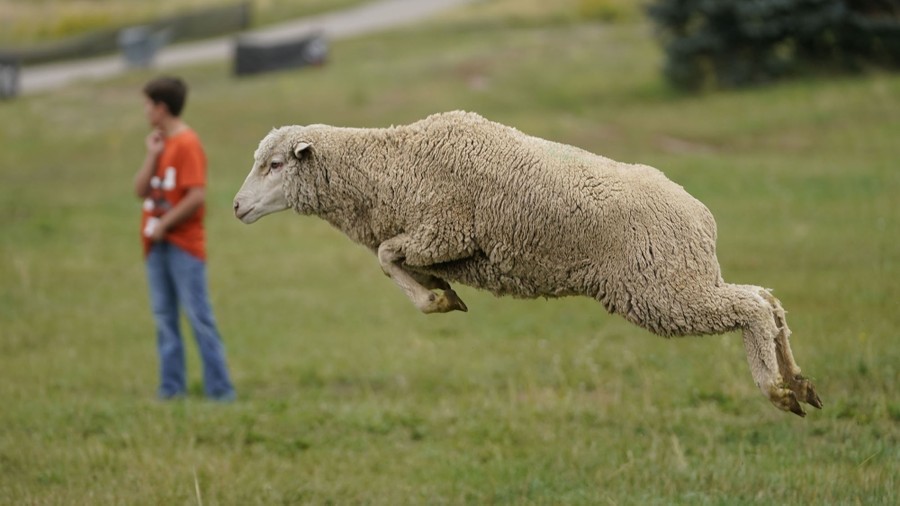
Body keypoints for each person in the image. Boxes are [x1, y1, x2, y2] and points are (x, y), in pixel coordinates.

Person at [134, 76, 235, 401]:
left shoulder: (188, 144)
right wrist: (151, 155)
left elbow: (196, 196)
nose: (146, 111)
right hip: (155, 246)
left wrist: (165, 224)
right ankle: (171, 390)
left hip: (183, 246)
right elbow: (139, 190)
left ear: (161, 108)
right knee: (164, 319)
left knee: (199, 318)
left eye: (148, 105)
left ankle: (220, 392)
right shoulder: (160, 143)